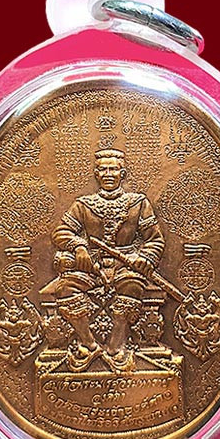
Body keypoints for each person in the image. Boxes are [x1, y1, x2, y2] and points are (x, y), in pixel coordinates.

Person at [51, 149, 165, 366]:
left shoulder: (138, 203)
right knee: (66, 287)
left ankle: (116, 347)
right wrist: (78, 246)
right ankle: (88, 345)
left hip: (126, 264)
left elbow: (155, 239)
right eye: (103, 170)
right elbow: (61, 232)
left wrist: (145, 258)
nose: (109, 174)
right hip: (91, 265)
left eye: (113, 169)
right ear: (96, 174)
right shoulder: (83, 204)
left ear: (122, 174)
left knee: (132, 285)